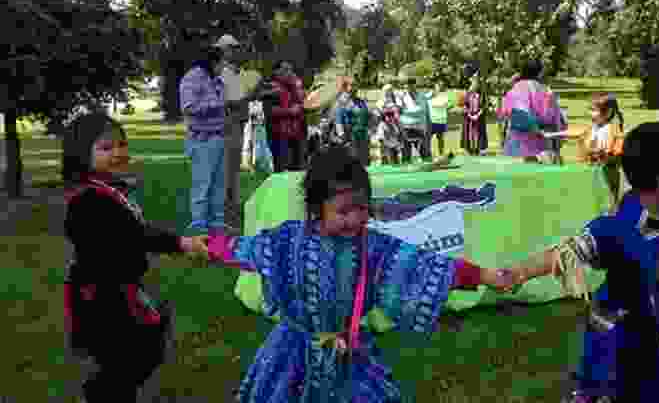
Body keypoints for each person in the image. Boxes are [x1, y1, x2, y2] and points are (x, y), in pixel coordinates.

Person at [205, 145, 516, 402]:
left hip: (348, 353)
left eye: (362, 208)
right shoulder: (287, 241)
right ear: (316, 209)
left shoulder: (374, 249)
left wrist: (485, 276)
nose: (354, 219)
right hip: (290, 355)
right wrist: (197, 245)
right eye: (343, 211)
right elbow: (242, 250)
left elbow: (427, 267)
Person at [506, 122, 659, 402]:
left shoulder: (637, 204)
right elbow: (568, 253)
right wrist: (518, 272)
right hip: (619, 350)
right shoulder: (620, 226)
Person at [61, 113, 209, 402]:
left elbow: (135, 233)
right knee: (125, 359)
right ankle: (104, 392)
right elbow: (135, 237)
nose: (117, 153)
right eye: (106, 148)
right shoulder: (88, 200)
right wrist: (182, 243)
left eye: (121, 145)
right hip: (104, 297)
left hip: (119, 289)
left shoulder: (106, 190)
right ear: (81, 154)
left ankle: (108, 388)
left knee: (137, 353)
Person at [180, 34, 272, 231]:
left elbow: (228, 101)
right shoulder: (193, 78)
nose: (223, 67)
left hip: (220, 136)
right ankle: (198, 226)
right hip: (202, 139)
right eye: (220, 63)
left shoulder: (217, 80)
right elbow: (188, 107)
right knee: (203, 184)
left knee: (218, 185)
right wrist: (218, 104)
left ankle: (216, 223)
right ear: (211, 61)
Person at [543, 93, 625, 209]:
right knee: (594, 200)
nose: (590, 114)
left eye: (594, 110)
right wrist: (551, 134)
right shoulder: (592, 128)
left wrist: (606, 154)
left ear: (609, 112)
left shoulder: (613, 130)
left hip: (608, 174)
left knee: (610, 201)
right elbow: (574, 132)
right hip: (592, 173)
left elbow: (618, 150)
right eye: (590, 110)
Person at [497, 59, 566, 163]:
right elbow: (557, 120)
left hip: (521, 142)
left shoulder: (518, 88)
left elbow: (516, 113)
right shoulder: (546, 91)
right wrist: (556, 141)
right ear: (540, 72)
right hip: (542, 141)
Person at [334, 78, 377, 166]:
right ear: (346, 87)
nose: (354, 88)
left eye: (355, 85)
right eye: (352, 85)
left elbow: (369, 116)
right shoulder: (342, 102)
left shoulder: (361, 102)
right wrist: (341, 134)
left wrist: (371, 129)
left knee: (364, 160)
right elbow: (338, 120)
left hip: (363, 134)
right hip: (350, 135)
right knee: (353, 160)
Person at [398, 77, 432, 163]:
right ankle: (406, 167)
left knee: (424, 152)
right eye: (406, 86)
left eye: (410, 85)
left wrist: (428, 126)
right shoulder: (401, 97)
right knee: (406, 153)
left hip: (419, 128)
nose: (408, 88)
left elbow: (425, 111)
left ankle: (428, 165)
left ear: (414, 85)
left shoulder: (422, 96)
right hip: (406, 128)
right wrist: (415, 111)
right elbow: (399, 112)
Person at [460, 65, 488, 156]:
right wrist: (469, 114)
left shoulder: (481, 93)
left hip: (478, 115)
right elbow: (463, 105)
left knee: (479, 131)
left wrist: (477, 114)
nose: (474, 84)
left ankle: (480, 149)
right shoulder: (466, 93)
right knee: (468, 132)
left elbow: (484, 106)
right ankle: (469, 149)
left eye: (476, 83)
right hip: (469, 115)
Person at [376, 84, 406, 165]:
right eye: (387, 90)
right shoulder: (380, 102)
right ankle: (384, 162)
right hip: (385, 127)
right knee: (384, 148)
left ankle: (397, 161)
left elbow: (400, 111)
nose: (389, 92)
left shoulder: (396, 101)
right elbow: (380, 114)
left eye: (390, 90)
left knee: (396, 148)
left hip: (395, 126)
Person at [426, 81, 455, 157]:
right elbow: (424, 101)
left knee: (441, 138)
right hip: (431, 120)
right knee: (428, 138)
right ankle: (427, 154)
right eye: (439, 85)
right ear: (435, 87)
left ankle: (441, 154)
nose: (440, 87)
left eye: (442, 86)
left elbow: (451, 104)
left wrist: (446, 107)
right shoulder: (429, 94)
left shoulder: (445, 95)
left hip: (441, 120)